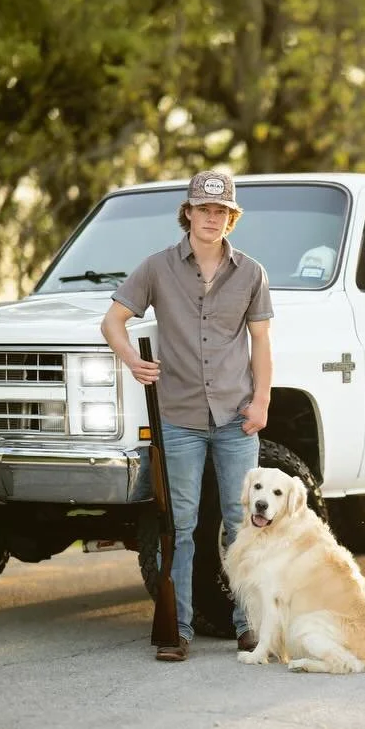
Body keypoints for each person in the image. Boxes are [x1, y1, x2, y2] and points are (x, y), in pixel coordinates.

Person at [99, 169, 274, 662]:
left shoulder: (252, 273)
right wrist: (133, 361)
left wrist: (261, 401)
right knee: (181, 523)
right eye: (204, 209)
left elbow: (261, 341)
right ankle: (178, 631)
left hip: (237, 419)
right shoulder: (156, 268)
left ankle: (250, 626)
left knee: (244, 523)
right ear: (189, 213)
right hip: (178, 418)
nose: (211, 218)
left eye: (221, 211)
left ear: (231, 218)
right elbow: (113, 320)